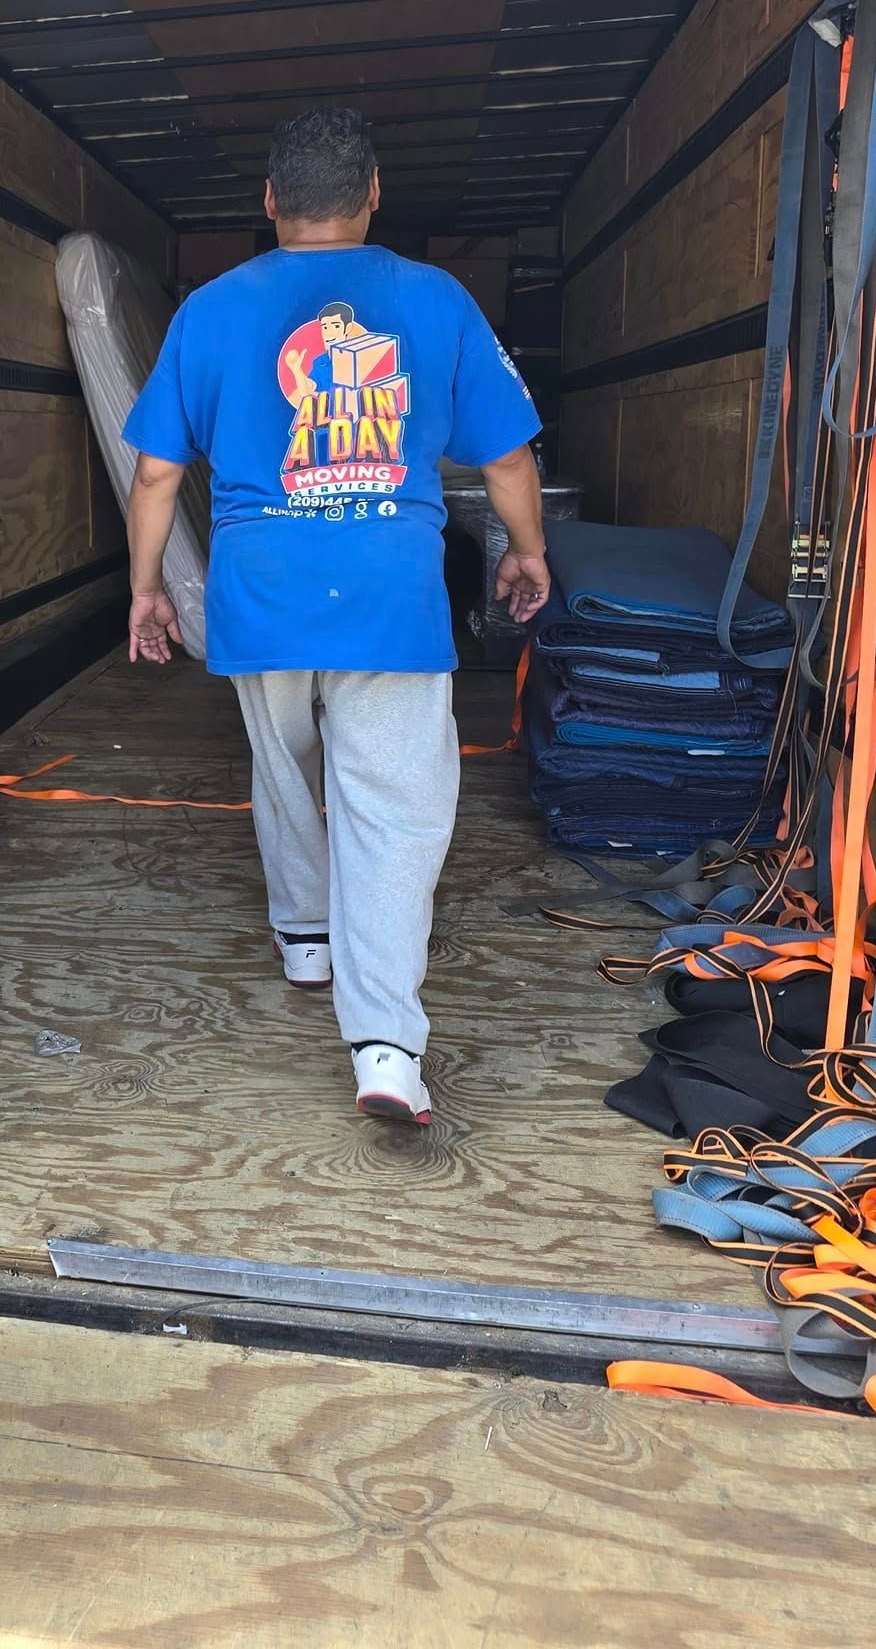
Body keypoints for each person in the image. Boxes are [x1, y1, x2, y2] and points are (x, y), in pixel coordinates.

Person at [122, 105, 548, 1124]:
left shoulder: (211, 309)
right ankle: (388, 1045)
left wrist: (143, 587)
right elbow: (507, 457)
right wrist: (528, 551)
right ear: (373, 197)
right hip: (389, 604)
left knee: (283, 768)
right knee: (394, 808)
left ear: (270, 202)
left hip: (259, 597)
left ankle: (304, 933)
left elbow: (153, 473)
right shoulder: (437, 301)